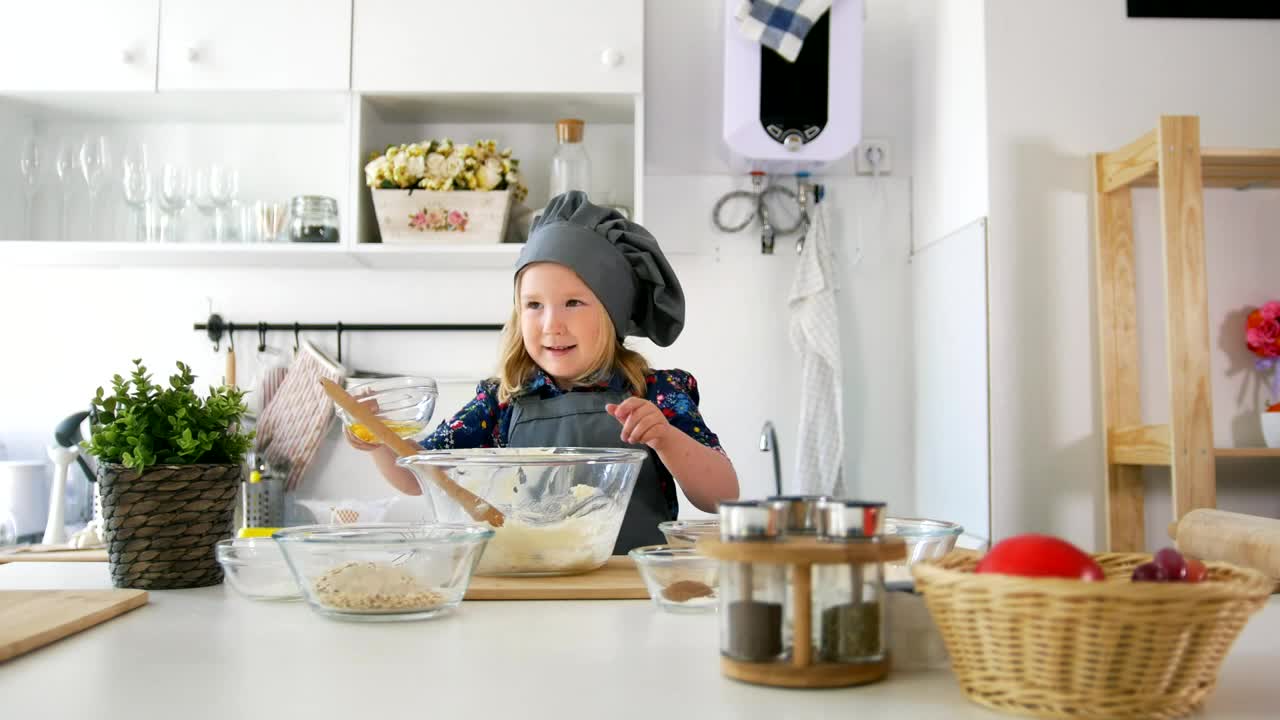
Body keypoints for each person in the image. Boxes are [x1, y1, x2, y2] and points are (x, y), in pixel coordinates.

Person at [349, 191, 739, 551]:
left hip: (628, 589)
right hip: (533, 587)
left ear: (612, 313)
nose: (551, 324)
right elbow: (418, 475)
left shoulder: (656, 392)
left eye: (573, 302)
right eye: (534, 305)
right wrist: (379, 438)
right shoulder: (501, 401)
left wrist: (666, 439)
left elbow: (723, 495)